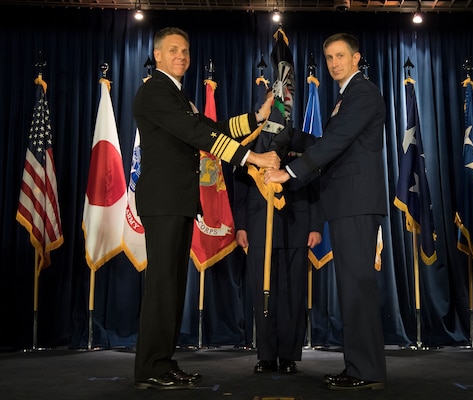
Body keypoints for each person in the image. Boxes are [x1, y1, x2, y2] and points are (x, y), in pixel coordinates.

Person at [132, 26, 279, 390]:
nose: (181, 56)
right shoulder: (155, 91)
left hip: (177, 201)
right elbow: (199, 135)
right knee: (162, 288)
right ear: (159, 56)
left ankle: (162, 362)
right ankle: (151, 366)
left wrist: (255, 119)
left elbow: (211, 126)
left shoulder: (177, 95)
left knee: (173, 288)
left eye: (185, 50)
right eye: (173, 50)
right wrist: (253, 158)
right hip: (164, 201)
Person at [264, 32, 387, 391]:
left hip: (357, 203)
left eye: (339, 56)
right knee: (352, 289)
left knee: (358, 289)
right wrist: (293, 136)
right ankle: (359, 367)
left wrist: (287, 172)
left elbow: (335, 143)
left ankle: (366, 371)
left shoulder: (362, 92)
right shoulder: (346, 96)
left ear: (356, 57)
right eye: (329, 57)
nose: (333, 63)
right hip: (348, 203)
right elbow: (327, 143)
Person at [233, 128, 322, 376]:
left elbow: (314, 182)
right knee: (264, 295)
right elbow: (240, 189)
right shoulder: (253, 140)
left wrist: (315, 225)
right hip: (259, 227)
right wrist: (241, 226)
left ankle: (289, 356)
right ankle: (266, 356)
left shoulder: (301, 140)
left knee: (293, 295)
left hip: (297, 225)